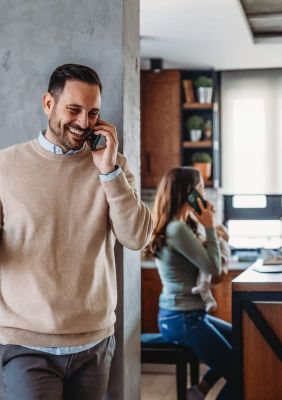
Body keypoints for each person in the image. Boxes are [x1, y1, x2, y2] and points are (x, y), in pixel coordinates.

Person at [0, 63, 153, 400]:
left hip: (94, 344)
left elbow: (137, 236)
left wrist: (109, 172)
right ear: (48, 103)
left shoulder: (114, 166)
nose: (84, 123)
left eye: (93, 112)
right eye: (74, 109)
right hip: (26, 344)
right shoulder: (5, 166)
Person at [147, 167, 232, 400]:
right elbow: (213, 268)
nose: (204, 193)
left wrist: (210, 229)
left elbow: (213, 267)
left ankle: (200, 391)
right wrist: (210, 227)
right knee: (239, 372)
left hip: (188, 315)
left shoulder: (184, 226)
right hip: (182, 318)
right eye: (201, 188)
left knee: (243, 341)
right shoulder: (177, 229)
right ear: (189, 192)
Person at [191, 224, 231, 312]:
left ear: (224, 236)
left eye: (218, 231)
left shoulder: (222, 243)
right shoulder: (212, 241)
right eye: (214, 230)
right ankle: (209, 301)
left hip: (218, 269)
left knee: (204, 276)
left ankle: (206, 291)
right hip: (208, 272)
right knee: (200, 283)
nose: (214, 233)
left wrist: (217, 257)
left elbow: (224, 257)